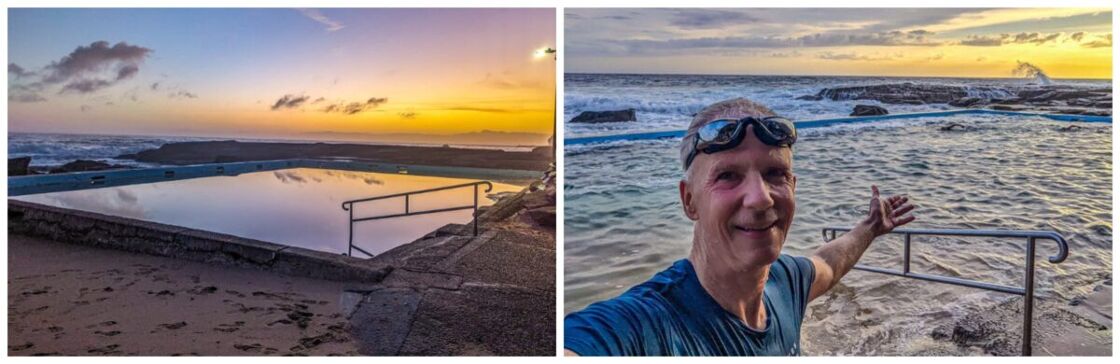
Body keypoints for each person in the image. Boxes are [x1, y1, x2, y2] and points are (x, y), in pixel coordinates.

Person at [564, 98, 916, 356]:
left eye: (774, 174)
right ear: (689, 201)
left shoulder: (785, 282)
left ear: (793, 186)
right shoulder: (644, 327)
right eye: (728, 176)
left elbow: (828, 264)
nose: (760, 199)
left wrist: (870, 227)